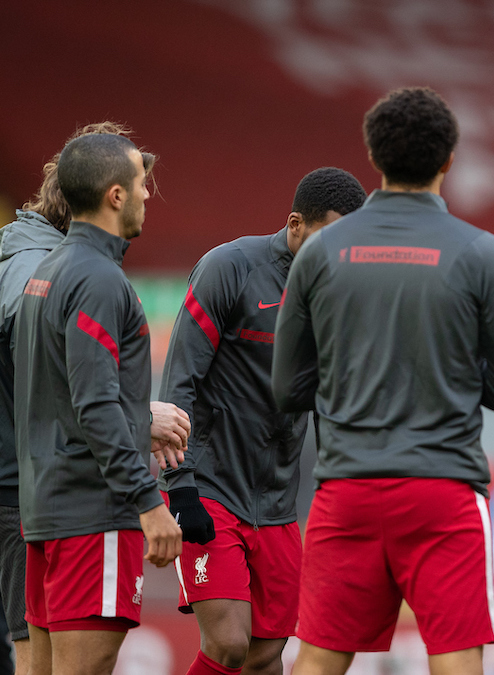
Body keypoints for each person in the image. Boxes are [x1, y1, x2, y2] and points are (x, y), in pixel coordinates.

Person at [272, 87, 494, 675]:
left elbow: (288, 388)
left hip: (347, 489)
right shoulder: (481, 253)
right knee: (456, 656)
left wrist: (353, 380)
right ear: (448, 160)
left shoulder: (320, 253)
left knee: (316, 657)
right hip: (442, 490)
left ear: (375, 158)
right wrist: (452, 376)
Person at [0, 122, 192, 675]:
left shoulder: (46, 274)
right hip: (91, 519)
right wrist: (149, 504)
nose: (147, 193)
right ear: (115, 195)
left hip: (42, 517)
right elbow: (95, 405)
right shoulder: (99, 281)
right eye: (140, 182)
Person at [159, 167, 366, 675]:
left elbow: (334, 404)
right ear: (295, 224)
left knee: (265, 655)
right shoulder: (229, 269)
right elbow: (177, 382)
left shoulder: (339, 294)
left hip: (277, 504)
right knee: (229, 644)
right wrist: (180, 486)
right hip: (211, 488)